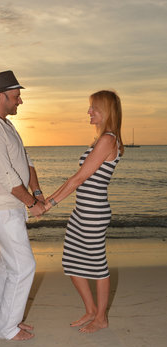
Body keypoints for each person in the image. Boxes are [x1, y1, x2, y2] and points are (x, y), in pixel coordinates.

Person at [45, 90, 124, 333]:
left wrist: (49, 204)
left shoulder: (108, 140)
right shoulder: (103, 140)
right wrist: (49, 200)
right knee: (70, 261)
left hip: (93, 212)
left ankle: (101, 317)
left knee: (97, 265)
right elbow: (77, 180)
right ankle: (90, 310)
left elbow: (78, 179)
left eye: (94, 108)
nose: (89, 112)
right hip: (83, 210)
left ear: (106, 111)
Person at [0, 70, 45, 341]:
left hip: (10, 206)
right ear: (1, 95)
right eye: (16, 96)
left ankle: (7, 322)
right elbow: (6, 175)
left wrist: (36, 192)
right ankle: (7, 329)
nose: (20, 101)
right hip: (1, 208)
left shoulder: (4, 123)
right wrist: (32, 204)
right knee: (24, 265)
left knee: (8, 266)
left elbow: (26, 161)